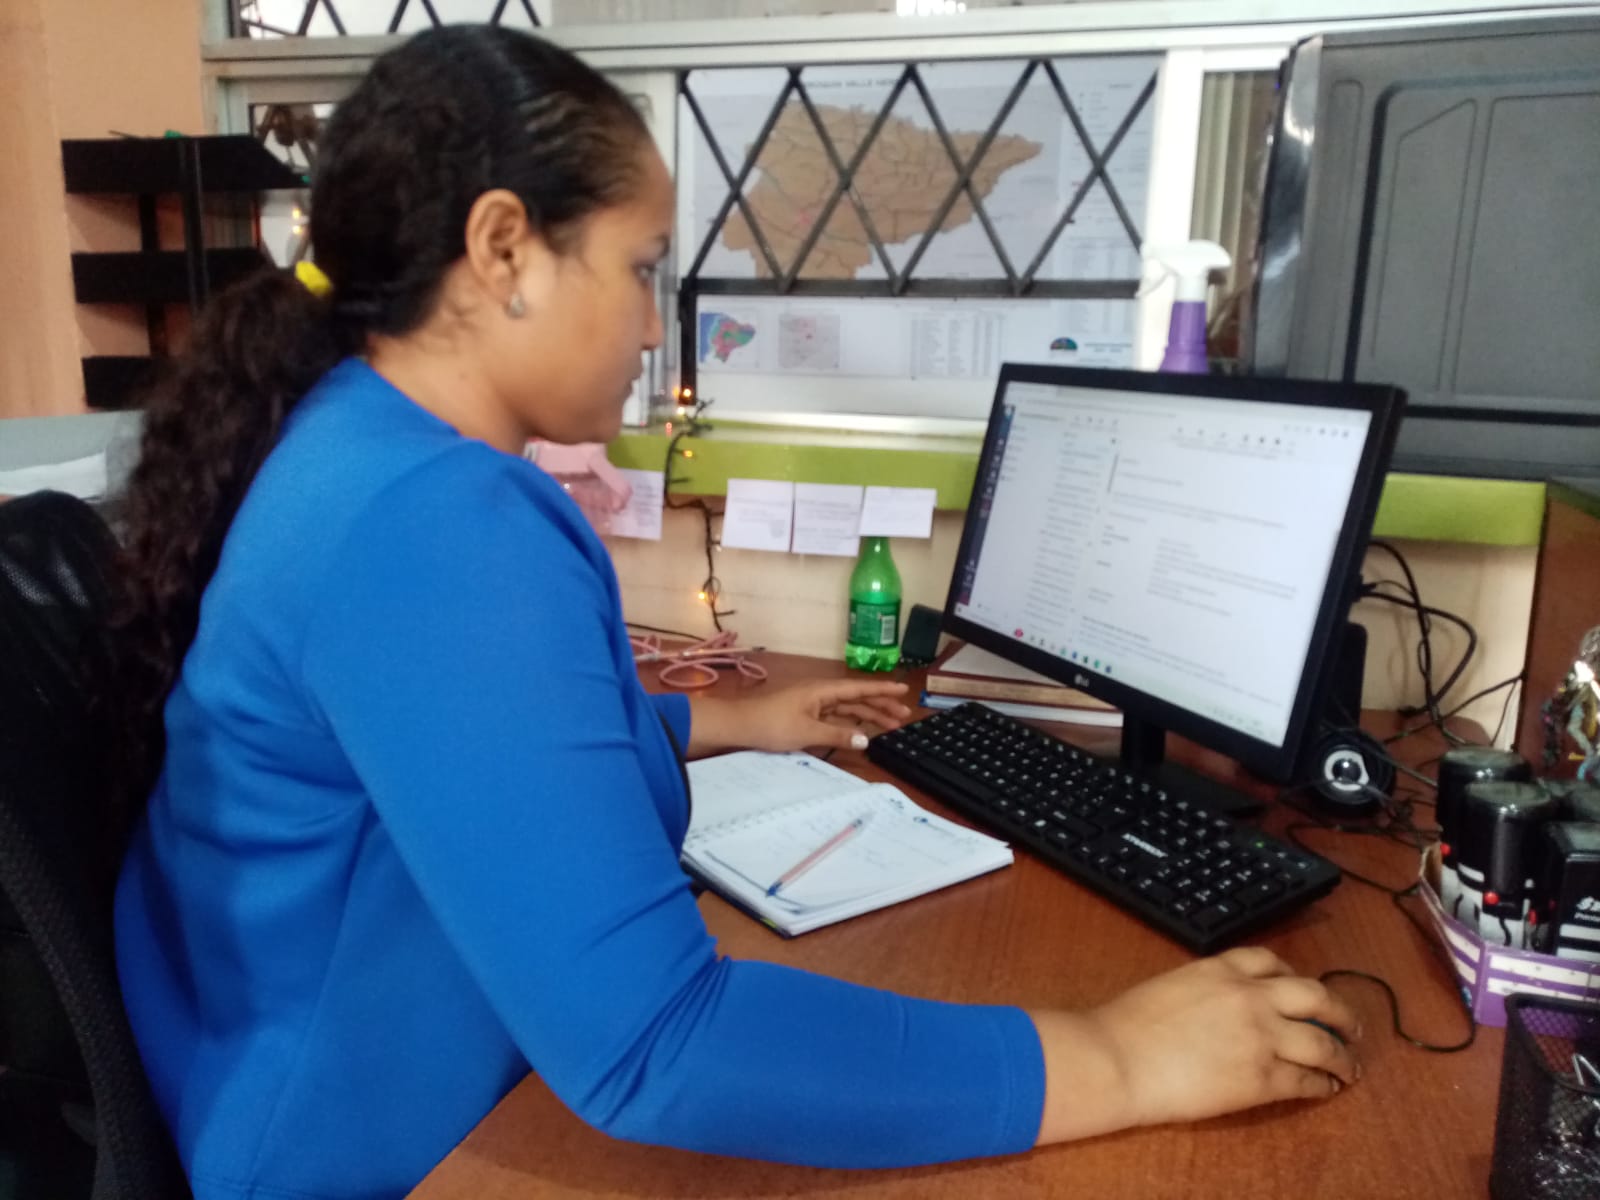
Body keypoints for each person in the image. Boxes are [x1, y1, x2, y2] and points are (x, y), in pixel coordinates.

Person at [110, 25, 1361, 1200]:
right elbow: (656, 1044)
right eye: (639, 269)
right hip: (351, 1144)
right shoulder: (440, 523)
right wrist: (1118, 1060)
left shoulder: (361, 445)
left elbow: (450, 752)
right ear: (502, 251)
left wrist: (709, 722)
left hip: (311, 1056)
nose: (652, 326)